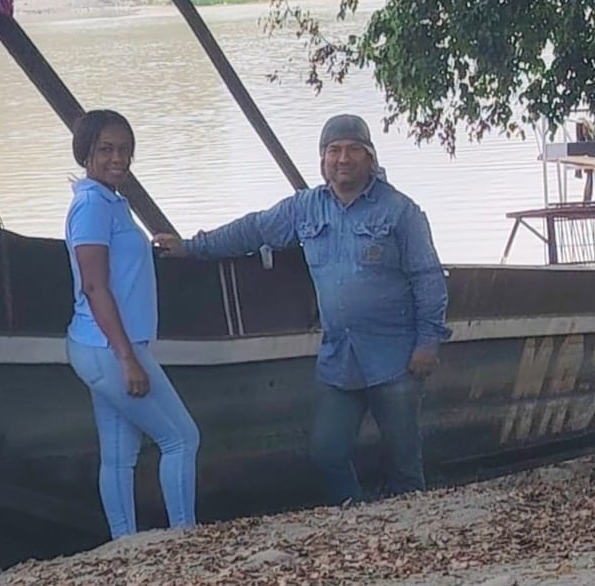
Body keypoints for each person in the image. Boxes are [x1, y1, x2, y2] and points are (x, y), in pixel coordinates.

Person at [153, 113, 449, 506]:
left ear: (370, 158)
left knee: (404, 461)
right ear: (323, 160)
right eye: (334, 151)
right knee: (326, 453)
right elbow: (254, 229)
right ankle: (357, 514)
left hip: (394, 359)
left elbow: (429, 278)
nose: (343, 159)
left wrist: (428, 343)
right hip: (339, 359)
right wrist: (192, 247)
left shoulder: (400, 211)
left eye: (353, 150)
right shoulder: (306, 208)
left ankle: (411, 523)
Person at [65, 109, 199, 538]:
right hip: (108, 348)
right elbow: (94, 286)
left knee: (120, 456)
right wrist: (127, 358)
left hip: (100, 345)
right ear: (85, 152)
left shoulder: (110, 201)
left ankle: (126, 545)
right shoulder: (91, 205)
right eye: (106, 149)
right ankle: (186, 536)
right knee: (181, 439)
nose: (117, 158)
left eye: (124, 150)